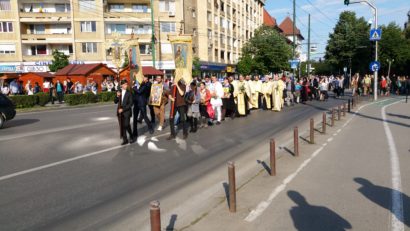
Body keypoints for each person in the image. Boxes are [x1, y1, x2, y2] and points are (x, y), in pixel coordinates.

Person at [114, 80, 135, 145]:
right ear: (122, 85)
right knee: (122, 126)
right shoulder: (119, 92)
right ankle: (125, 139)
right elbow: (115, 101)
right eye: (125, 84)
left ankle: (131, 136)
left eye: (127, 84)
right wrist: (117, 96)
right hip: (119, 112)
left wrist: (123, 109)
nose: (126, 85)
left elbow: (131, 104)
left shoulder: (129, 93)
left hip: (127, 112)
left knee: (126, 125)